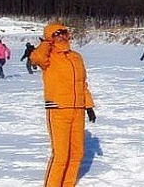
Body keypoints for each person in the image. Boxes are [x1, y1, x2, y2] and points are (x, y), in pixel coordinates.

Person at [29, 23, 96, 187]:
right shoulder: (48, 55)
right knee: (60, 155)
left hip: (77, 109)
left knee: (77, 153)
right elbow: (35, 58)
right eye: (56, 33)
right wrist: (46, 42)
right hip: (58, 109)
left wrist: (88, 106)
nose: (61, 35)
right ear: (49, 37)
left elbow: (82, 83)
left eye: (63, 32)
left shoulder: (76, 57)